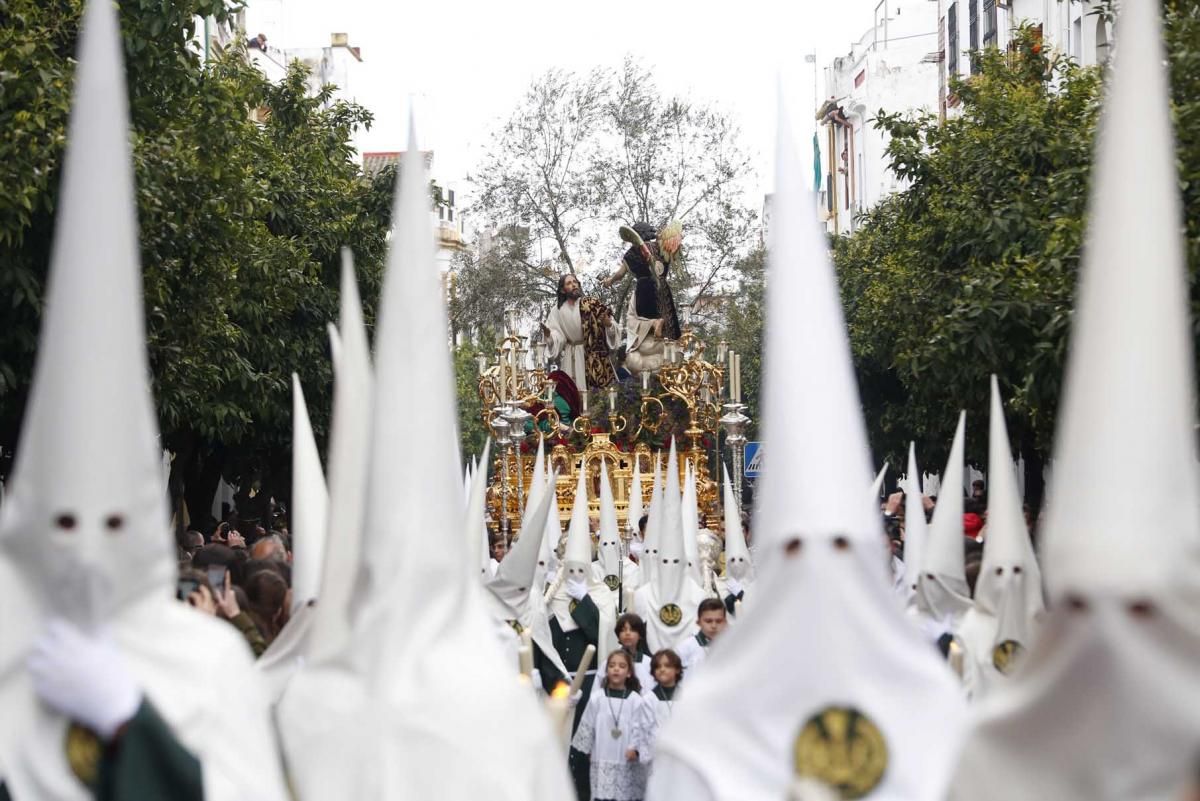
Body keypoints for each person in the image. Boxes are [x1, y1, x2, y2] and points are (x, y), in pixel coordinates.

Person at [571, 650, 653, 801]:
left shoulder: (635, 700)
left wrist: (635, 748)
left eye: (622, 666)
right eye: (612, 665)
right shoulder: (597, 698)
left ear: (629, 673)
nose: (616, 669)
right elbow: (588, 724)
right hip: (602, 754)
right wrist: (589, 748)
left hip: (627, 757)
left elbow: (640, 727)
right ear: (606, 670)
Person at [603, 222, 682, 376]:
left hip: (644, 289)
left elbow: (620, 274)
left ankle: (654, 325)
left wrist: (609, 281)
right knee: (668, 323)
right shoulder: (661, 247)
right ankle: (663, 328)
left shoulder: (632, 253)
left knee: (644, 321)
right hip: (662, 288)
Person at [542, 273, 620, 392]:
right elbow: (558, 337)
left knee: (599, 397)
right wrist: (549, 336)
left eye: (575, 282)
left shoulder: (592, 304)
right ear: (563, 290)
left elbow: (613, 327)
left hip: (595, 358)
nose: (574, 285)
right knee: (572, 395)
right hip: (571, 357)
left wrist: (608, 324)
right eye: (569, 283)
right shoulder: (557, 310)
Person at [642, 649, 683, 759]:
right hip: (657, 752)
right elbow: (644, 728)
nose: (662, 670)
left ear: (677, 669)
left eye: (667, 666)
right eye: (658, 667)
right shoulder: (649, 699)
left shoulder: (685, 696)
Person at [674, 599, 727, 672]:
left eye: (718, 621)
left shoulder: (732, 645)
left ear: (725, 622)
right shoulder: (684, 648)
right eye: (708, 621)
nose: (714, 626)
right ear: (698, 622)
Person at [615, 614, 654, 690]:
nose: (627, 633)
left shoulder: (648, 663)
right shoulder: (610, 662)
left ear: (640, 635)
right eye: (623, 630)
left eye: (632, 630)